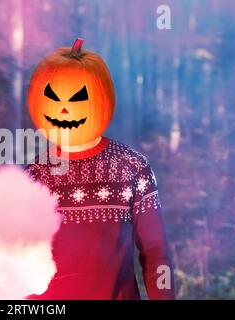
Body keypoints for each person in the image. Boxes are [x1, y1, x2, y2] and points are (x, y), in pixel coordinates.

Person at [25, 38, 175, 300]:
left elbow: (155, 250)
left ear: (102, 97)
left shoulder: (132, 168)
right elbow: (16, 251)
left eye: (78, 97)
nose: (64, 109)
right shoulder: (36, 174)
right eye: (52, 96)